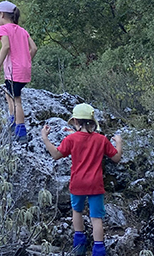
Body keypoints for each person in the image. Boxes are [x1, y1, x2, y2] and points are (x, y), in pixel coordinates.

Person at [41, 103, 123, 256]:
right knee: (96, 217)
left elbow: (56, 154)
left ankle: (79, 246)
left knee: (77, 211)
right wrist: (118, 143)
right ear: (92, 122)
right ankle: (98, 250)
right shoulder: (101, 139)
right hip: (95, 184)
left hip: (77, 183)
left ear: (76, 122)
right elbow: (116, 158)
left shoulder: (71, 139)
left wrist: (45, 138)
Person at [0, 0, 37, 143]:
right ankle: (12, 120)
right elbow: (34, 48)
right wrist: (26, 60)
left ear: (2, 15)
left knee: (17, 100)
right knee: (9, 93)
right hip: (23, 69)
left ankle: (20, 131)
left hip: (13, 70)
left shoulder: (3, 29)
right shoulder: (22, 30)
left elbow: (5, 47)